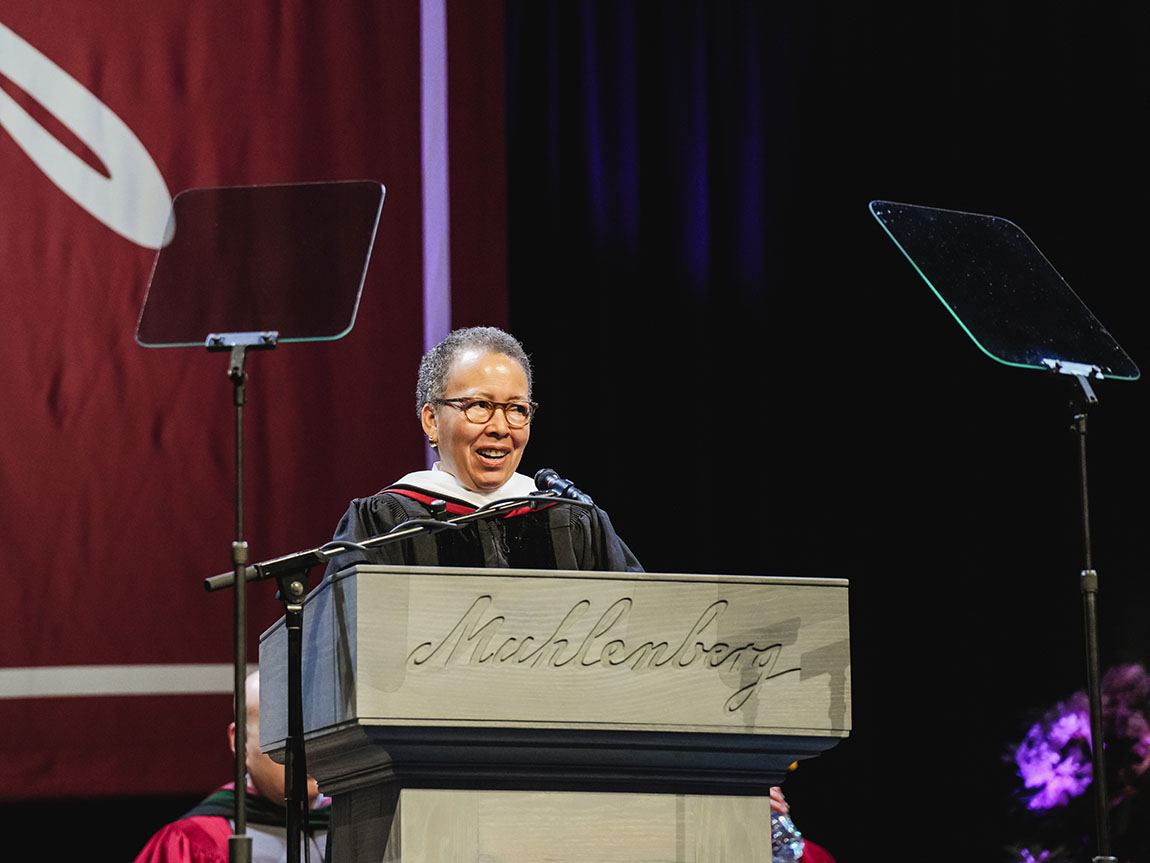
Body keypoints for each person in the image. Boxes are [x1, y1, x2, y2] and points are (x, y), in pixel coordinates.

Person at [324, 326, 642, 574]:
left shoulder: (573, 520)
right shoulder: (383, 524)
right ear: (432, 420)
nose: (501, 427)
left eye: (517, 409)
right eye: (480, 405)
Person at [132, 671, 329, 863]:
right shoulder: (191, 842)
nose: (307, 749)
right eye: (286, 733)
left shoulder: (350, 820)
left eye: (320, 728)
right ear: (240, 741)